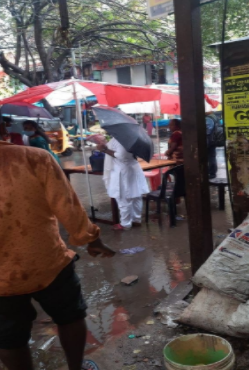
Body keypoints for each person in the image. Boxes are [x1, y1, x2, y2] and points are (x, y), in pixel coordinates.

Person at [0, 137, 115, 370]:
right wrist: (92, 240)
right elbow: (67, 205)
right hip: (47, 263)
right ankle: (75, 368)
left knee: (9, 337)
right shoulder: (34, 157)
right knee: (70, 316)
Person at [97, 138, 149, 231]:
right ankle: (136, 220)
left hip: (122, 170)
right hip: (133, 167)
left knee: (123, 197)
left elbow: (121, 155)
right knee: (135, 195)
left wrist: (105, 150)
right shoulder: (134, 138)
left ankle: (125, 223)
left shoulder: (121, 139)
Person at [206, 114, 218, 179]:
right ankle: (211, 172)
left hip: (209, 141)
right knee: (211, 157)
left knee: (211, 157)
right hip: (211, 140)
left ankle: (212, 173)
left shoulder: (208, 119)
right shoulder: (213, 118)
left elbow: (208, 131)